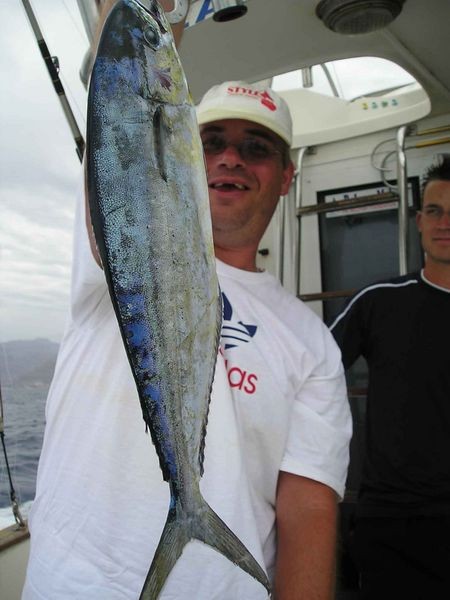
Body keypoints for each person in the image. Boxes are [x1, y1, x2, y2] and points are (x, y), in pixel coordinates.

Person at [23, 4, 351, 599]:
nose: (231, 157)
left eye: (256, 147)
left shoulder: (313, 344)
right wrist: (155, 16)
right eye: (213, 141)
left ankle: (188, 509)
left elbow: (307, 511)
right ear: (182, 151)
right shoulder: (112, 244)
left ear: (286, 176)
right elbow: (122, 95)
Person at [330, 154, 450, 599]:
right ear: (419, 221)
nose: (444, 223)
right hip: (393, 524)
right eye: (435, 211)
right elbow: (308, 376)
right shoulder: (379, 303)